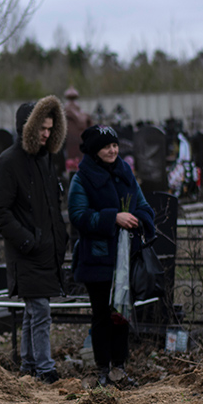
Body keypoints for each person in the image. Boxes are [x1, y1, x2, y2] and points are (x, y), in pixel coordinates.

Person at [0, 95, 68, 385]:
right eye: (42, 129)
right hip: (27, 251)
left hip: (47, 249)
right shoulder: (9, 161)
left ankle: (29, 365)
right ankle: (46, 369)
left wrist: (60, 237)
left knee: (34, 311)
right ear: (28, 127)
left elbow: (51, 205)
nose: (46, 134)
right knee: (40, 311)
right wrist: (27, 241)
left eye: (50, 128)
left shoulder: (46, 158)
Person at [68, 124, 155, 387]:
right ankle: (102, 370)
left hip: (124, 258)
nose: (113, 150)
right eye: (107, 146)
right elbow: (79, 216)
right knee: (102, 315)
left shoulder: (124, 172)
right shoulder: (82, 179)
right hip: (97, 258)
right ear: (95, 150)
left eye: (115, 145)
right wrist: (112, 217)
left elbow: (142, 205)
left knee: (122, 315)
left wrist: (139, 219)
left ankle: (119, 368)